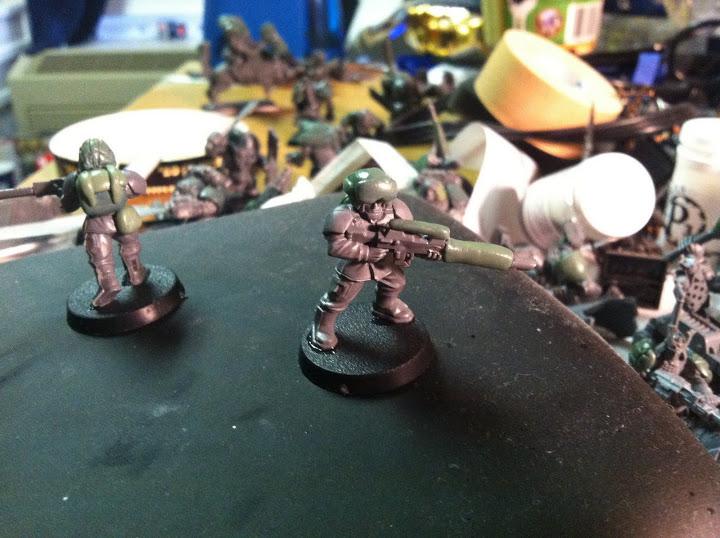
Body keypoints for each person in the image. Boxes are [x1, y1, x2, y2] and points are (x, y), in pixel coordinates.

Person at [311, 168, 431, 350]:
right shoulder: (343, 216)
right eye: (368, 204)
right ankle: (322, 326)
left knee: (396, 283)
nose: (376, 209)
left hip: (386, 261)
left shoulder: (398, 209)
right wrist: (366, 252)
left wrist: (423, 246)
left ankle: (385, 305)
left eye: (381, 203)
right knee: (339, 296)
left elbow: (410, 234)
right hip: (357, 265)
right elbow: (336, 246)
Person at [60, 138, 146, 308]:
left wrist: (64, 191)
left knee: (101, 259)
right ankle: (136, 274)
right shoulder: (122, 175)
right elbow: (140, 188)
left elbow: (68, 206)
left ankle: (109, 286)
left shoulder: (75, 180)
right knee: (131, 248)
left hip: (96, 225)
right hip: (123, 219)